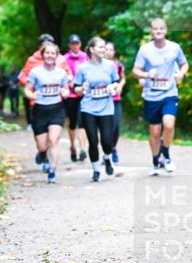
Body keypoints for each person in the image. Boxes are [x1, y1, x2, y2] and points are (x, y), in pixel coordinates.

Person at [132, 18, 189, 175]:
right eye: (155, 28)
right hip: (151, 96)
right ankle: (155, 161)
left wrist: (181, 74)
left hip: (169, 93)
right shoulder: (145, 50)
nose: (158, 31)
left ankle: (166, 154)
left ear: (166, 30)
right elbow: (135, 71)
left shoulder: (174, 48)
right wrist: (146, 74)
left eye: (161, 28)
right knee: (155, 132)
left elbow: (184, 64)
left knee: (169, 125)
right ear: (151, 31)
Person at [73, 37, 121, 182]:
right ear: (92, 49)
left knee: (107, 141)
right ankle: (95, 171)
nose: (104, 50)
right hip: (88, 109)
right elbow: (76, 89)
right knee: (93, 141)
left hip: (106, 108)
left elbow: (116, 82)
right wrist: (82, 88)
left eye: (104, 47)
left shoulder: (110, 66)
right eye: (100, 47)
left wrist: (113, 87)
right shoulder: (83, 68)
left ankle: (106, 158)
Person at [20, 34, 71, 165]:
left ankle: (52, 170)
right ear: (41, 49)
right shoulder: (32, 62)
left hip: (56, 107)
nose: (49, 55)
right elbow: (23, 79)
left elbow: (67, 77)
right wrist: (33, 92)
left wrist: (66, 89)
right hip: (38, 105)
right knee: (42, 144)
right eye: (46, 50)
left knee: (53, 140)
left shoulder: (61, 64)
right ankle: (42, 152)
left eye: (52, 52)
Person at [62, 34, 90, 163]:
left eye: (77, 43)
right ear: (69, 45)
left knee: (82, 121)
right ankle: (73, 146)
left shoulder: (86, 57)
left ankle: (83, 148)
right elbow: (61, 75)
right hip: (71, 94)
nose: (75, 46)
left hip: (84, 94)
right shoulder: (64, 58)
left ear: (80, 44)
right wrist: (69, 83)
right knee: (72, 122)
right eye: (72, 43)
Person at [104, 41, 126, 163]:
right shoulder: (99, 65)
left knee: (116, 126)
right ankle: (107, 150)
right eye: (106, 49)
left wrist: (121, 86)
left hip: (116, 100)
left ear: (114, 52)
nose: (108, 52)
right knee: (106, 127)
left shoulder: (118, 65)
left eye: (111, 50)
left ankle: (113, 148)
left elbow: (123, 78)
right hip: (103, 101)